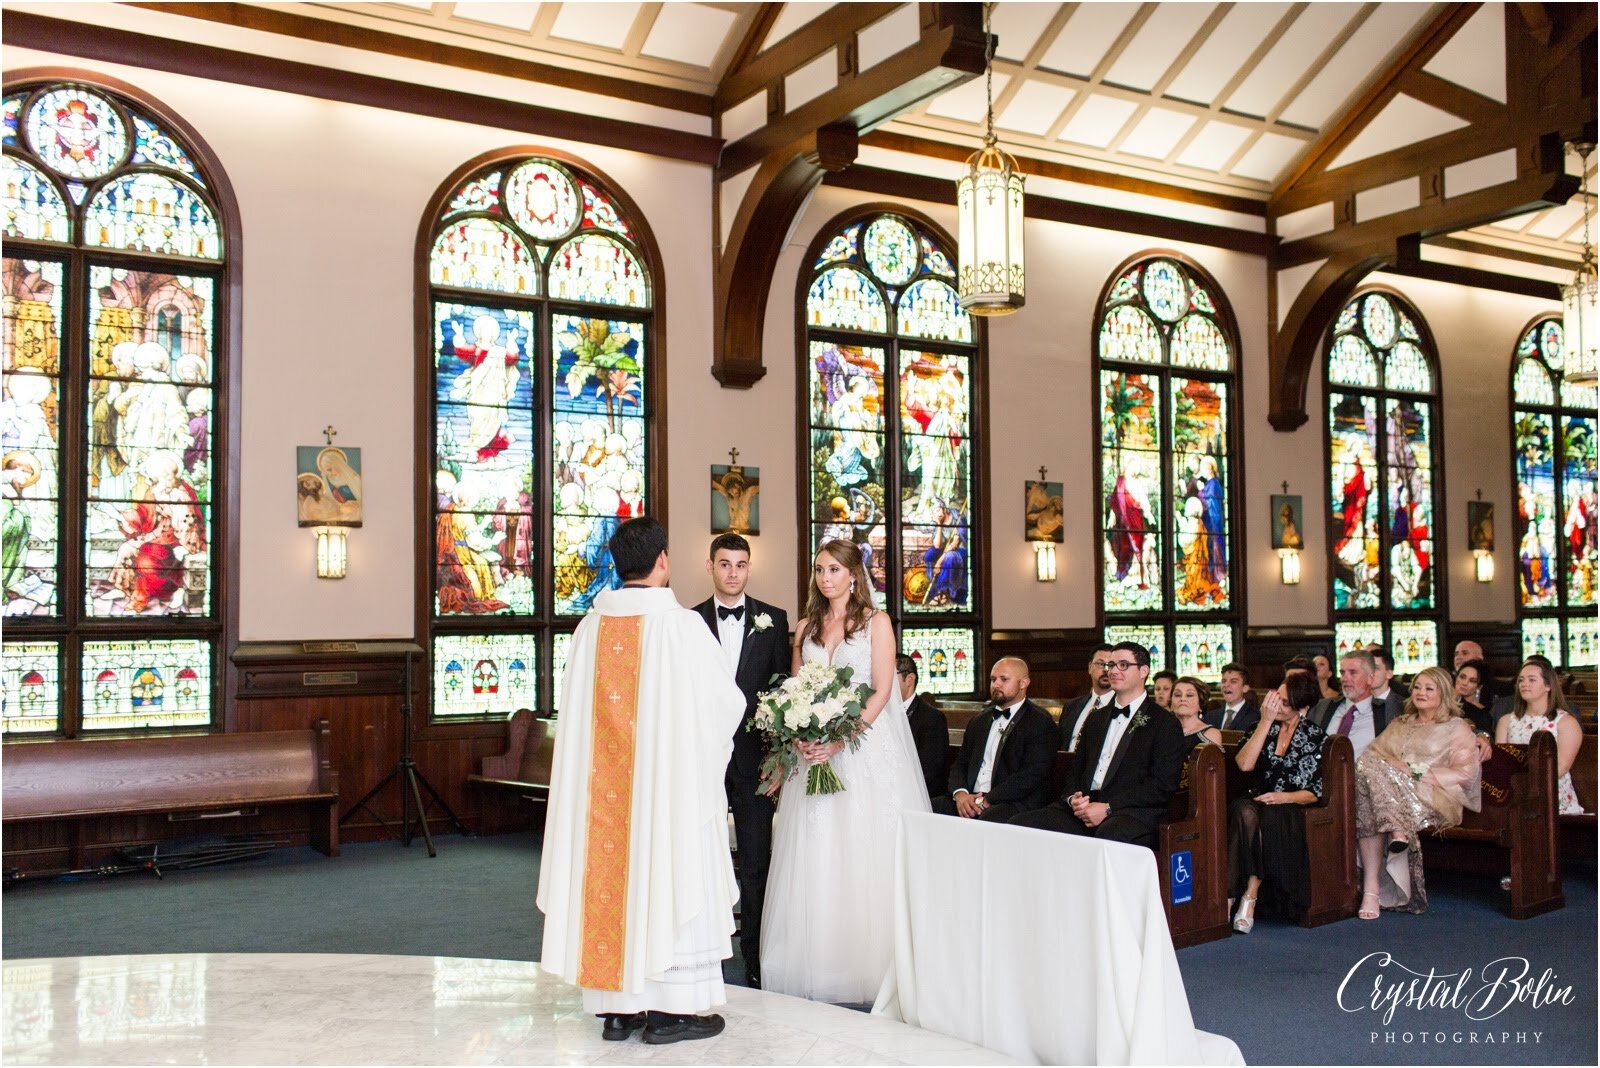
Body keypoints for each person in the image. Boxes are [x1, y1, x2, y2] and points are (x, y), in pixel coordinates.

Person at [537, 517, 745, 1045]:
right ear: (663, 561)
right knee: (669, 878)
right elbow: (727, 706)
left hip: (603, 802)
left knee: (613, 882)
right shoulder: (681, 628)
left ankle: (619, 1010)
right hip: (667, 798)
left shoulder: (590, 630)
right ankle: (671, 1011)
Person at [761, 539, 931, 1004]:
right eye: (819, 570)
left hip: (864, 751)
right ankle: (820, 962)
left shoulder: (876, 624)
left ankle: (869, 965)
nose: (825, 578)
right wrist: (799, 732)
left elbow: (880, 689)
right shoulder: (806, 628)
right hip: (814, 753)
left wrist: (842, 736)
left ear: (854, 574)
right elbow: (795, 691)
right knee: (816, 850)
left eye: (834, 569)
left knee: (862, 847)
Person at [691, 532, 789, 989]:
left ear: (750, 568)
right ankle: (699, 955)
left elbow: (782, 693)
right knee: (698, 859)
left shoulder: (775, 620)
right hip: (702, 763)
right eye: (725, 564)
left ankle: (754, 959)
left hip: (754, 763)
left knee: (755, 860)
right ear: (710, 567)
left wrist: (779, 760)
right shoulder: (687, 624)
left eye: (741, 564)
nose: (733, 572)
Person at [1010, 641, 1186, 849]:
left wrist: (1108, 808)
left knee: (1108, 836)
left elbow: (1161, 785)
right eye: (1110, 665)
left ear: (1143, 671)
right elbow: (1076, 769)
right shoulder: (1096, 719)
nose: (1112, 671)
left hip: (1132, 810)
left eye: (1123, 665)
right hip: (1086, 805)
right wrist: (1073, 799)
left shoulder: (1164, 723)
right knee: (1021, 825)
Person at [1354, 666, 1482, 919]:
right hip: (1389, 796)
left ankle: (1371, 891)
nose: (1421, 693)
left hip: (1434, 794)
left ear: (1443, 694)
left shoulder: (1456, 727)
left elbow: (1466, 773)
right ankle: (1393, 834)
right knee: (1367, 770)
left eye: (1429, 688)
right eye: (1417, 687)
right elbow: (1372, 757)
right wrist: (1395, 769)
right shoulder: (1400, 723)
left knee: (1373, 799)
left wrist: (1412, 770)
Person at [1228, 672, 1326, 933]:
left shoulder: (1314, 737)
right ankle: (1232, 895)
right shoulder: (1262, 725)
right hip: (1256, 798)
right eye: (1276, 699)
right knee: (1243, 811)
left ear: (1302, 706)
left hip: (1289, 806)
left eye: (1284, 702)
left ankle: (1248, 894)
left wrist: (1283, 797)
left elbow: (1315, 791)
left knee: (1269, 817)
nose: (1276, 706)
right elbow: (1244, 764)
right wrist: (1265, 722)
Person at [933, 657, 1056, 822]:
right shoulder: (979, 720)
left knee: (990, 817)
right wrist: (960, 794)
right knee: (931, 807)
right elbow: (960, 763)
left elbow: (1032, 774)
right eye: (993, 679)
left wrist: (987, 799)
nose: (996, 684)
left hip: (1012, 801)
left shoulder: (1040, 721)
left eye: (1004, 679)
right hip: (971, 796)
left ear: (1023, 683)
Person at [1497, 660, 1585, 815]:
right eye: (1521, 680)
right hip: (1514, 794)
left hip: (1552, 795)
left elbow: (1561, 767)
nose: (1524, 684)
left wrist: (1527, 785)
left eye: (1532, 680)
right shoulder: (1506, 721)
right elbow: (1500, 762)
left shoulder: (1565, 722)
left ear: (1548, 686)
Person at [1311, 649, 1392, 761]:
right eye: (1342, 673)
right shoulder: (1323, 707)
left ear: (1370, 678)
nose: (1345, 678)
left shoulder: (1386, 713)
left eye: (1353, 672)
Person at [897, 654, 950, 800]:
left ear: (909, 679)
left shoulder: (932, 718)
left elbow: (930, 771)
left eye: (890, 676)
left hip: (917, 794)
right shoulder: (880, 714)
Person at [1057, 643, 1116, 752]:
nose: (1106, 670)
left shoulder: (1121, 707)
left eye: (1111, 665)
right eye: (1100, 664)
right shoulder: (1071, 706)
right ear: (1090, 668)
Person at [1170, 677, 1222, 751]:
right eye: (1177, 695)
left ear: (1201, 703)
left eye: (1189, 695)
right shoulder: (1162, 730)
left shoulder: (1210, 734)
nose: (1182, 699)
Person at [1205, 663, 1259, 733]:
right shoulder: (1210, 716)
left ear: (1245, 688)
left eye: (1233, 681)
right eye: (1223, 681)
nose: (1226, 685)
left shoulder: (1256, 718)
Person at [1453, 658, 1495, 735]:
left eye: (1472, 681)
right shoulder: (1441, 703)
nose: (1465, 683)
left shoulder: (1482, 715)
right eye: (1462, 677)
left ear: (1479, 687)